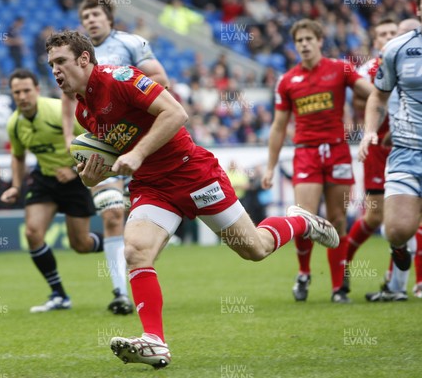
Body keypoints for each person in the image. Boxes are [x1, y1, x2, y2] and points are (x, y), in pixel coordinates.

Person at [46, 30, 339, 369]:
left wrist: (138, 153)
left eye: (61, 61)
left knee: (255, 249)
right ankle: (155, 341)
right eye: (51, 64)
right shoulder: (84, 113)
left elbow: (176, 114)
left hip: (193, 173)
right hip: (153, 187)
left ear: (84, 59)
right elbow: (111, 161)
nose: (55, 70)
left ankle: (301, 220)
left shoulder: (121, 78)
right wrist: (91, 176)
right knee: (136, 250)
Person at [61, 0, 170, 315]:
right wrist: (70, 137)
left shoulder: (131, 44)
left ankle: (142, 270)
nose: (91, 20)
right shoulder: (74, 56)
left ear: (109, 18)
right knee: (110, 213)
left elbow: (162, 80)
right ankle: (121, 293)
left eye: (96, 14)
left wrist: (120, 96)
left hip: (137, 138)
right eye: (85, 16)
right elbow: (68, 99)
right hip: (101, 140)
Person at [262, 19, 374, 303]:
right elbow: (277, 126)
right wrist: (270, 166)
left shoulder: (341, 69)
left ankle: (338, 288)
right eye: (299, 40)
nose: (304, 44)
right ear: (295, 44)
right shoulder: (287, 80)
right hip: (306, 153)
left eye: (309, 38)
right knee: (304, 218)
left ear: (320, 40)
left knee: (337, 219)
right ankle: (304, 273)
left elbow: (373, 94)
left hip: (336, 151)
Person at [0, 69, 105, 313]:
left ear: (37, 90)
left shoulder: (58, 112)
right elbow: (17, 156)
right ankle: (59, 295)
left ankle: (116, 245)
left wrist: (73, 169)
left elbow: (95, 140)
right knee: (32, 232)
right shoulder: (14, 124)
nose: (22, 96)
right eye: (17, 92)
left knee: (81, 245)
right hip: (45, 180)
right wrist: (16, 186)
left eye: (27, 90)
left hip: (75, 180)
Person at [347, 18, 421, 301]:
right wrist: (372, 132)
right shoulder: (371, 68)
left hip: (400, 142)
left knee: (411, 221)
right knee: (383, 218)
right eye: (385, 33)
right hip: (383, 148)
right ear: (376, 40)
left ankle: (402, 285)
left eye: (395, 32)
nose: (391, 36)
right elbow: (364, 101)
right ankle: (345, 261)